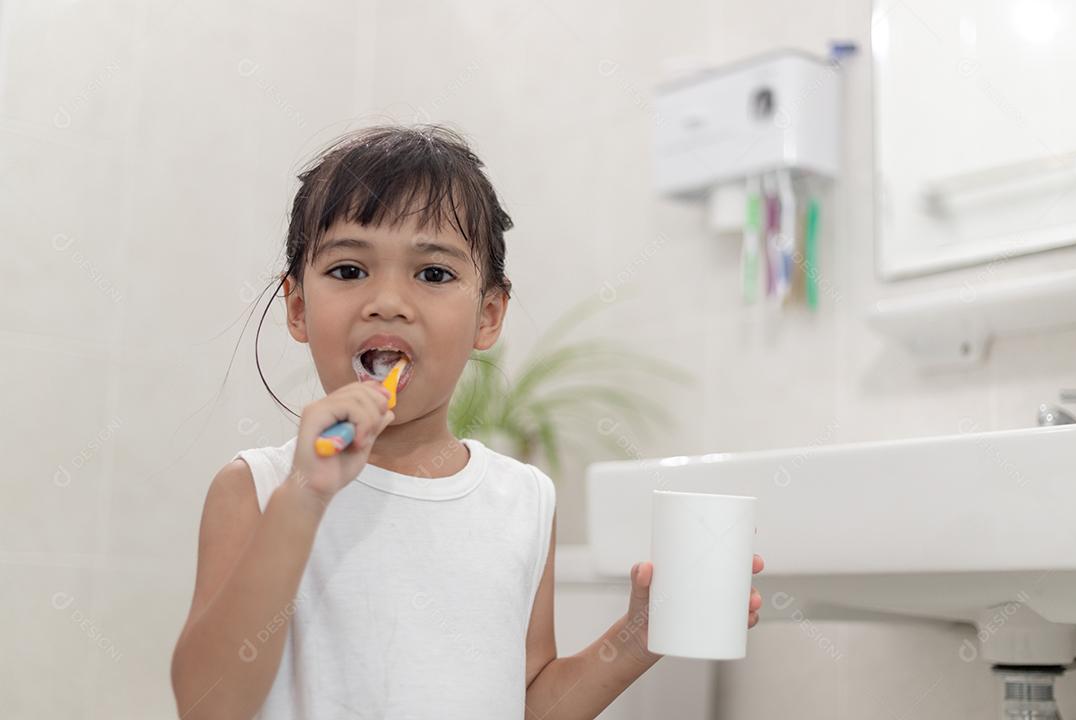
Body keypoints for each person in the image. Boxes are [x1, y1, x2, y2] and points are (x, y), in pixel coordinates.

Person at [169, 124, 765, 719]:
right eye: (350, 270)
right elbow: (206, 705)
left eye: (433, 274)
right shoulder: (255, 488)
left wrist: (638, 638)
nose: (388, 301)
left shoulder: (524, 500)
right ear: (298, 307)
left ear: (488, 315)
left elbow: (528, 704)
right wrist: (304, 498)